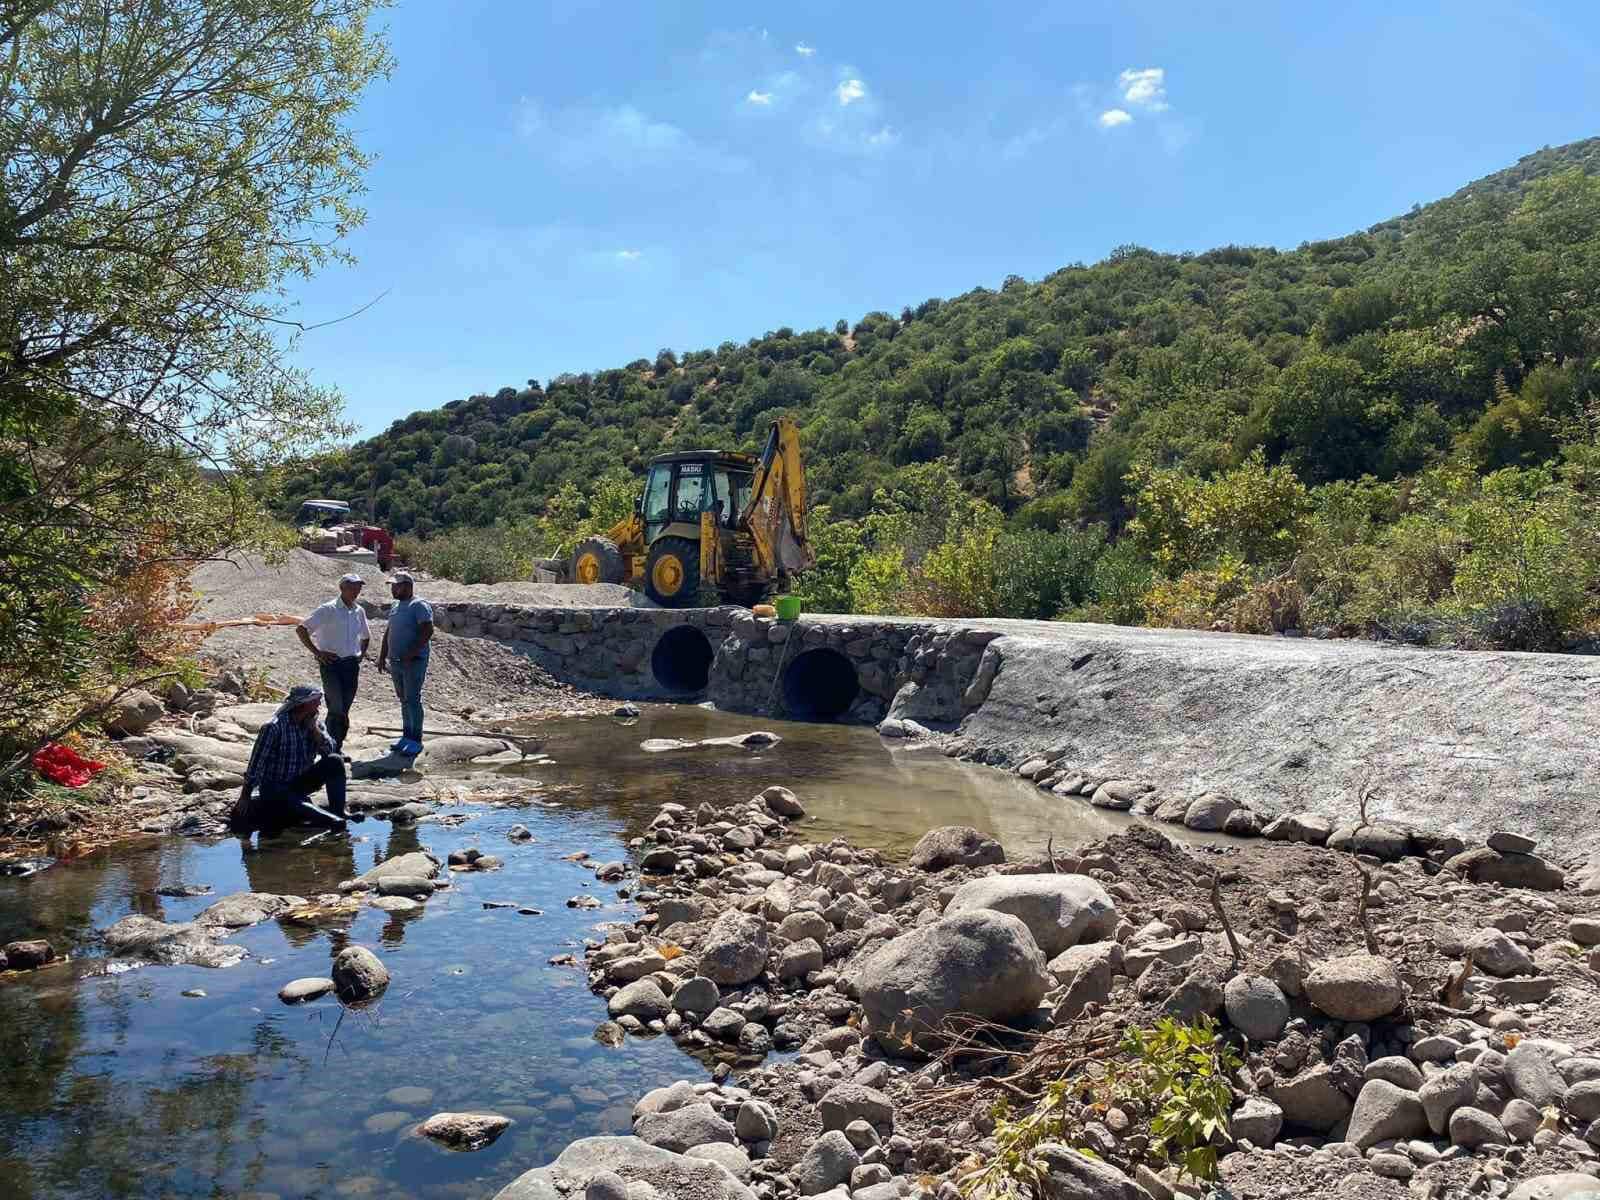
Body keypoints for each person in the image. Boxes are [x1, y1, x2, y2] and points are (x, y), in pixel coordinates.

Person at [230, 684, 348, 838]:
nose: (319, 704)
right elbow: (255, 765)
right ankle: (332, 823)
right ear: (303, 704)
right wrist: (245, 797)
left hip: (299, 784)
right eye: (316, 701)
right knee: (335, 823)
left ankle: (338, 810)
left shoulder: (315, 723)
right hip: (276, 790)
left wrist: (315, 731)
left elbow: (330, 751)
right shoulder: (273, 727)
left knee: (335, 760)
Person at [295, 572, 370, 751]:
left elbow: (366, 636)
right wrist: (317, 652)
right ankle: (329, 747)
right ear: (342, 588)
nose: (356, 591)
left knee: (344, 708)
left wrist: (360, 655)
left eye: (358, 587)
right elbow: (302, 629)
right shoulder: (328, 609)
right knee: (336, 707)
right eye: (352, 587)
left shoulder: (359, 611)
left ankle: (336, 746)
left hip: (351, 665)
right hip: (332, 665)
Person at [377, 571, 432, 756]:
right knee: (403, 699)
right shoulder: (396, 606)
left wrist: (412, 653)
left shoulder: (419, 605)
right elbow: (389, 631)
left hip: (413, 662)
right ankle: (406, 736)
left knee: (413, 699)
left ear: (407, 586)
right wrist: (382, 655)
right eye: (392, 585)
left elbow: (427, 630)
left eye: (396, 585)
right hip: (396, 661)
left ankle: (416, 739)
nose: (393, 588)